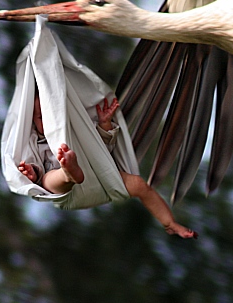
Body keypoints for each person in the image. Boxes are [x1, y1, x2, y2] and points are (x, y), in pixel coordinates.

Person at [18, 90, 197, 239]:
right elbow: (35, 164)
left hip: (97, 176)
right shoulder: (38, 142)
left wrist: (104, 124)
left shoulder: (76, 128)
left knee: (139, 185)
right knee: (49, 180)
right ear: (33, 122)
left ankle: (170, 224)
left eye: (50, 115)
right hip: (67, 190)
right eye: (41, 117)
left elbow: (100, 150)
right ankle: (68, 172)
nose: (47, 121)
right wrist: (32, 172)